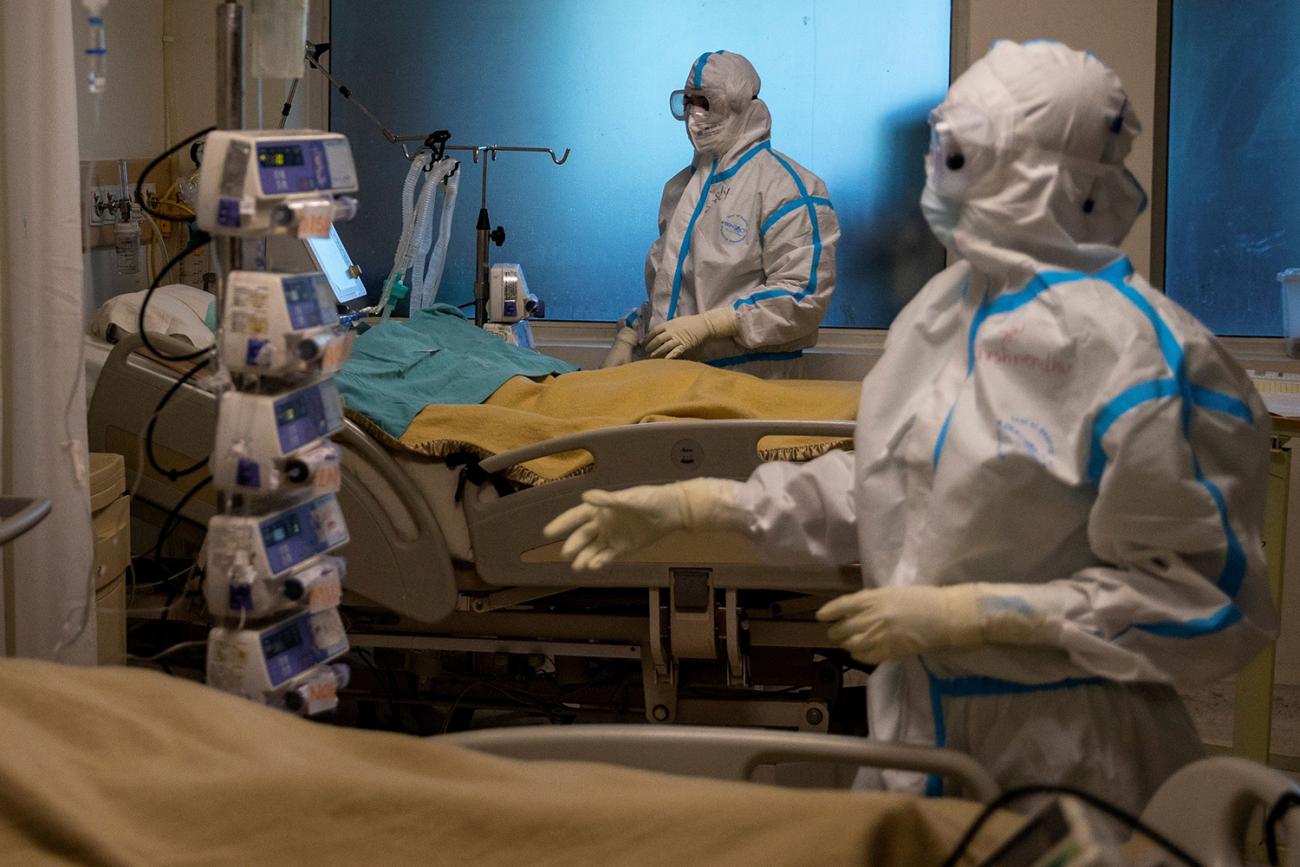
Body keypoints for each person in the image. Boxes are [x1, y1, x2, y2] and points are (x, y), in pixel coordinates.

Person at [547, 41, 1278, 810]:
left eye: (959, 156)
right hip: (913, 729)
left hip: (1067, 751)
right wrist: (708, 506)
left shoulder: (1145, 359)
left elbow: (1209, 597)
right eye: (941, 149)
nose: (936, 173)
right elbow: (892, 486)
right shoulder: (943, 315)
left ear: (1035, 173)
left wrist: (978, 614)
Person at [601, 51, 840, 379]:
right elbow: (674, 291)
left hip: (751, 383)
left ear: (741, 105)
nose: (694, 117)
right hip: (677, 380)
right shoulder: (681, 189)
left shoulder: (789, 188)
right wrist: (630, 335)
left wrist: (713, 324)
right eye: (687, 103)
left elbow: (801, 297)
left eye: (706, 102)